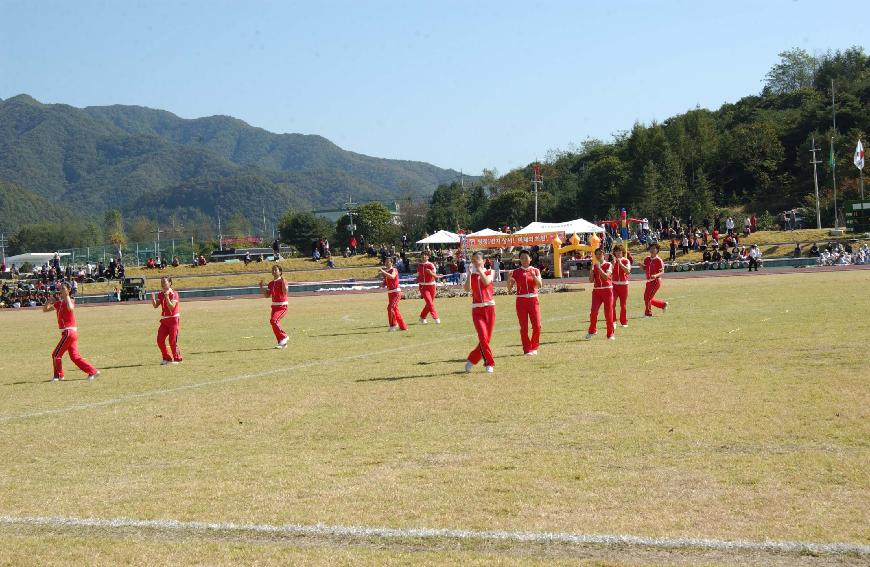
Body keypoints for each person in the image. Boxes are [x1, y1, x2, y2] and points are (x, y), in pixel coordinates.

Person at [43, 282, 100, 381]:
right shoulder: (59, 303)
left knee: (56, 354)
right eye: (60, 289)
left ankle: (59, 376)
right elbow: (45, 310)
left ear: (69, 290)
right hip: (69, 334)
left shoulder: (71, 300)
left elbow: (70, 307)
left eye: (63, 289)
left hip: (69, 332)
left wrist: (67, 295)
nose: (60, 291)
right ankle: (93, 371)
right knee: (75, 357)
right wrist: (49, 301)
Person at [464, 251, 495, 373]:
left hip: (489, 308)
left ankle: (472, 359)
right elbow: (467, 289)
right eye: (473, 259)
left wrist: (479, 270)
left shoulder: (489, 271)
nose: (475, 261)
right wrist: (469, 274)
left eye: (477, 259)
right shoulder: (472, 275)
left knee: (486, 339)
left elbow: (487, 282)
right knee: (483, 337)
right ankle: (489, 363)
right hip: (477, 309)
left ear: (483, 260)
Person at [507, 249, 542, 355]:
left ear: (530, 258)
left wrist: (534, 275)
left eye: (526, 257)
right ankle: (527, 349)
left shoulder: (535, 270)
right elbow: (509, 288)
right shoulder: (516, 272)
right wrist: (509, 278)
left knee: (537, 325)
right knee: (524, 327)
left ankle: (534, 347)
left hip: (533, 299)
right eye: (521, 258)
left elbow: (539, 285)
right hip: (521, 300)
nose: (524, 260)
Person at [151, 276, 182, 364]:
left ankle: (177, 358)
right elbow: (156, 306)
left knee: (172, 340)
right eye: (161, 283)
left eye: (164, 282)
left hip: (173, 319)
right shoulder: (161, 294)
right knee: (159, 340)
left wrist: (167, 297)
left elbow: (171, 307)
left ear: (170, 283)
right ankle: (166, 358)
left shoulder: (174, 293)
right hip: (164, 320)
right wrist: (153, 299)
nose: (162, 284)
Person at [586, 247, 615, 340]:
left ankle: (610, 334)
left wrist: (599, 269)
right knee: (593, 312)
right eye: (597, 254)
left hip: (607, 291)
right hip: (597, 291)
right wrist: (591, 270)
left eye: (600, 254)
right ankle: (592, 331)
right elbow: (591, 281)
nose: (599, 256)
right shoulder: (595, 266)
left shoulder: (609, 264)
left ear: (603, 255)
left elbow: (606, 277)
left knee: (608, 313)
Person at [259, 265, 289, 348]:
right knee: (273, 322)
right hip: (274, 306)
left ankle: (284, 336)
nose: (274, 271)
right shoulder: (271, 283)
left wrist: (283, 282)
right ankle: (282, 343)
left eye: (275, 270)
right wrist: (261, 287)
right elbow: (267, 296)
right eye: (272, 270)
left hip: (282, 306)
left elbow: (285, 292)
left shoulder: (284, 281)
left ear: (280, 272)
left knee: (274, 321)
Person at [379, 257, 407, 331]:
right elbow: (384, 283)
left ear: (392, 263)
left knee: (390, 308)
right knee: (395, 310)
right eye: (386, 262)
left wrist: (383, 272)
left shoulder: (394, 270)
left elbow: (392, 276)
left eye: (388, 262)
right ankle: (403, 327)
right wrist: (381, 284)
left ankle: (393, 326)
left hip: (396, 292)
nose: (387, 263)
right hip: (390, 293)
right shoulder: (387, 272)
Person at [643, 243, 668, 317]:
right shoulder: (647, 259)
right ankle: (662, 305)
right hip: (648, 281)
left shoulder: (659, 260)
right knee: (647, 297)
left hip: (656, 281)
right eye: (651, 248)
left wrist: (655, 275)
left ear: (657, 250)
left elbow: (662, 271)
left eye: (654, 248)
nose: (652, 250)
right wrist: (641, 266)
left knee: (647, 297)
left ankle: (648, 313)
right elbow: (645, 268)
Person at [416, 250, 441, 324]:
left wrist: (430, 272)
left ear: (428, 257)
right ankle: (436, 318)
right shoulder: (419, 266)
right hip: (423, 287)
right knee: (430, 302)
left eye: (425, 255)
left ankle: (422, 317)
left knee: (429, 303)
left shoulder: (431, 265)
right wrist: (416, 278)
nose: (424, 257)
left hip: (432, 286)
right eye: (422, 256)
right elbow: (417, 275)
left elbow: (435, 276)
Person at [611, 244, 631, 328]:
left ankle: (624, 322)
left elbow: (628, 271)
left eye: (620, 252)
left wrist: (620, 264)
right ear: (614, 253)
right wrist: (613, 264)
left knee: (623, 304)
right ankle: (613, 321)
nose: (618, 253)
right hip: (614, 285)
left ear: (622, 252)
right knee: (612, 304)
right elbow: (609, 272)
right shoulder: (612, 262)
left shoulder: (626, 261)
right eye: (616, 252)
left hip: (623, 285)